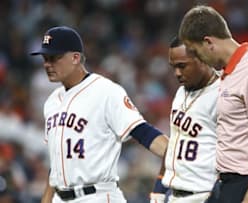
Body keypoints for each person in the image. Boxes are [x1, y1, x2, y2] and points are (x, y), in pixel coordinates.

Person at [30, 26, 169, 203]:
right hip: (60, 197)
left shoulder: (106, 91)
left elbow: (143, 132)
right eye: (45, 58)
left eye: (54, 58)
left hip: (97, 196)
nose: (47, 64)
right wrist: (47, 199)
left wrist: (176, 154)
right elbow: (57, 162)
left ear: (75, 58)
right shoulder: (51, 102)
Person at [179, 5, 248, 203]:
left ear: (208, 42)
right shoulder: (228, 74)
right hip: (230, 184)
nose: (199, 60)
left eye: (196, 51)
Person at [149, 36, 219, 203]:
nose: (177, 73)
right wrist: (158, 191)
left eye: (182, 66)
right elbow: (174, 144)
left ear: (202, 59)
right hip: (174, 195)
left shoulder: (222, 94)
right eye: (173, 67)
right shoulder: (181, 92)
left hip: (204, 195)